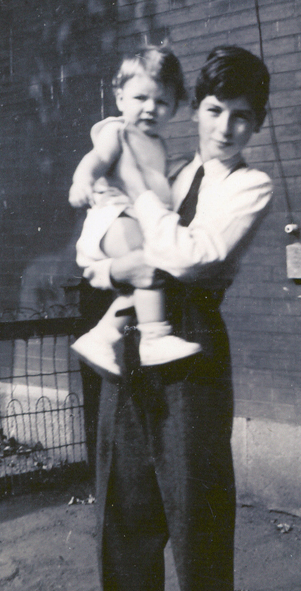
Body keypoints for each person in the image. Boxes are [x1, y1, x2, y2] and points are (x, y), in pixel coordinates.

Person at [83, 45, 273, 591]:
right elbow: (97, 246)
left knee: (198, 525)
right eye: (216, 110)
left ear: (258, 124)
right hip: (131, 340)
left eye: (243, 117)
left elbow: (194, 255)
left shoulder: (249, 185)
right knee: (125, 522)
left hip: (190, 348)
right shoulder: (174, 169)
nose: (226, 128)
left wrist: (139, 194)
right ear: (195, 110)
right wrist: (115, 266)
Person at [69, 46, 202, 376]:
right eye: (140, 98)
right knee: (152, 263)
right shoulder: (118, 132)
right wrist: (81, 181)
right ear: (119, 98)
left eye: (161, 102)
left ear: (174, 107)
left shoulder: (158, 145)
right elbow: (96, 160)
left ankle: (101, 336)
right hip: (110, 220)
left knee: (145, 279)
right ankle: (154, 337)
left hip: (127, 222)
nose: (150, 109)